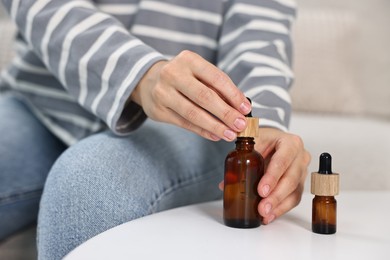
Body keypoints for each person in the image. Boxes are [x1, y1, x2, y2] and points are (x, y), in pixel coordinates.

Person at [0, 0, 310, 259]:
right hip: (42, 100)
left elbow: (259, 36)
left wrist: (264, 124)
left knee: (89, 182)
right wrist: (138, 73)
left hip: (189, 124)